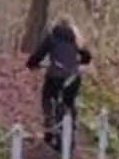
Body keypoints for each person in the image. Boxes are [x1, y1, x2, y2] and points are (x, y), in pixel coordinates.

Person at [27, 17, 93, 146]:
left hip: (55, 75)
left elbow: (39, 54)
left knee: (47, 97)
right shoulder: (76, 39)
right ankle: (72, 127)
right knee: (70, 101)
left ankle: (49, 123)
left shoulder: (52, 37)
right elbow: (87, 57)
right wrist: (78, 62)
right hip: (73, 77)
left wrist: (32, 64)